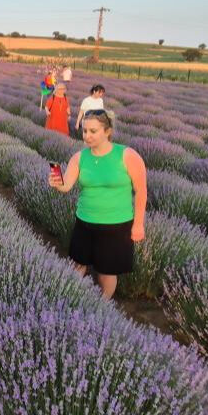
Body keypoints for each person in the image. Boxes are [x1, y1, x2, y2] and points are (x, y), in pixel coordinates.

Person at [49, 109, 147, 300]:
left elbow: (141, 191)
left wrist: (138, 224)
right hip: (85, 221)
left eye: (93, 131)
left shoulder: (127, 155)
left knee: (106, 271)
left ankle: (102, 306)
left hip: (116, 224)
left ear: (107, 131)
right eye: (85, 131)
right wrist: (57, 183)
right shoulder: (80, 157)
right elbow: (66, 186)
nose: (87, 136)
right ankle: (70, 299)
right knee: (78, 264)